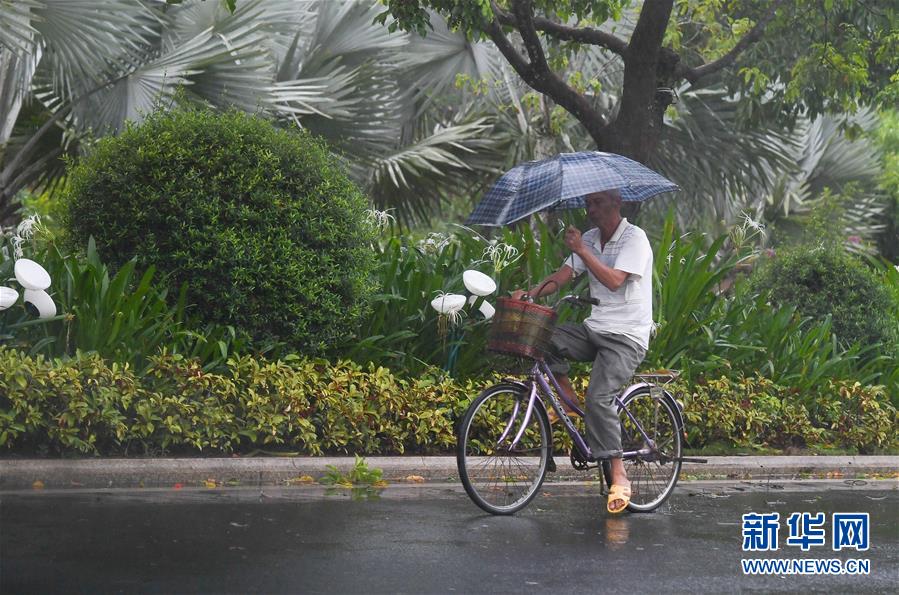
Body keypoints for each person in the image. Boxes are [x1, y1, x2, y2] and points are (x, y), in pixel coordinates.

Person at [510, 189, 653, 514]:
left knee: (600, 398)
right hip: (595, 328)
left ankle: (619, 474)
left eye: (598, 202)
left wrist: (582, 250)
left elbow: (616, 280)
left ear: (616, 204)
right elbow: (563, 276)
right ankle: (570, 404)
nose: (591, 209)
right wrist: (531, 296)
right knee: (542, 336)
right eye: (588, 203)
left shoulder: (635, 238)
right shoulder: (589, 237)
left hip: (627, 336)